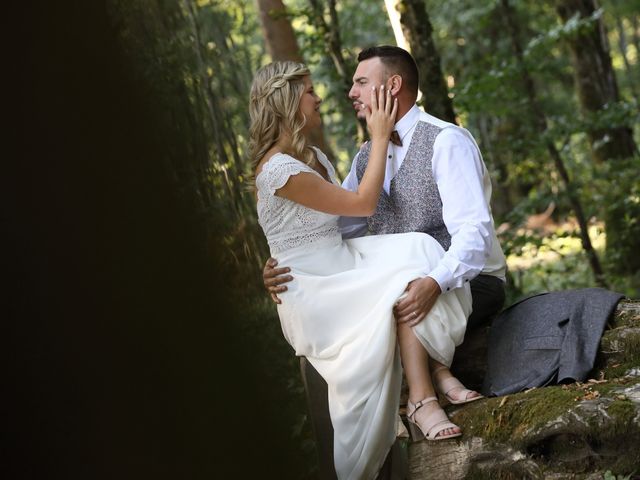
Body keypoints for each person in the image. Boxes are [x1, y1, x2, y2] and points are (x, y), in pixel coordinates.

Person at [262, 46, 507, 476]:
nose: (349, 92)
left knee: (398, 289)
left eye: (360, 82)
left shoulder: (445, 140)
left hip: (469, 279)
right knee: (389, 289)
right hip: (409, 277)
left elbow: (474, 237)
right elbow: (341, 231)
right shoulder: (365, 157)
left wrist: (435, 280)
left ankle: (424, 394)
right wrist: (286, 263)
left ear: (392, 86)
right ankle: (435, 380)